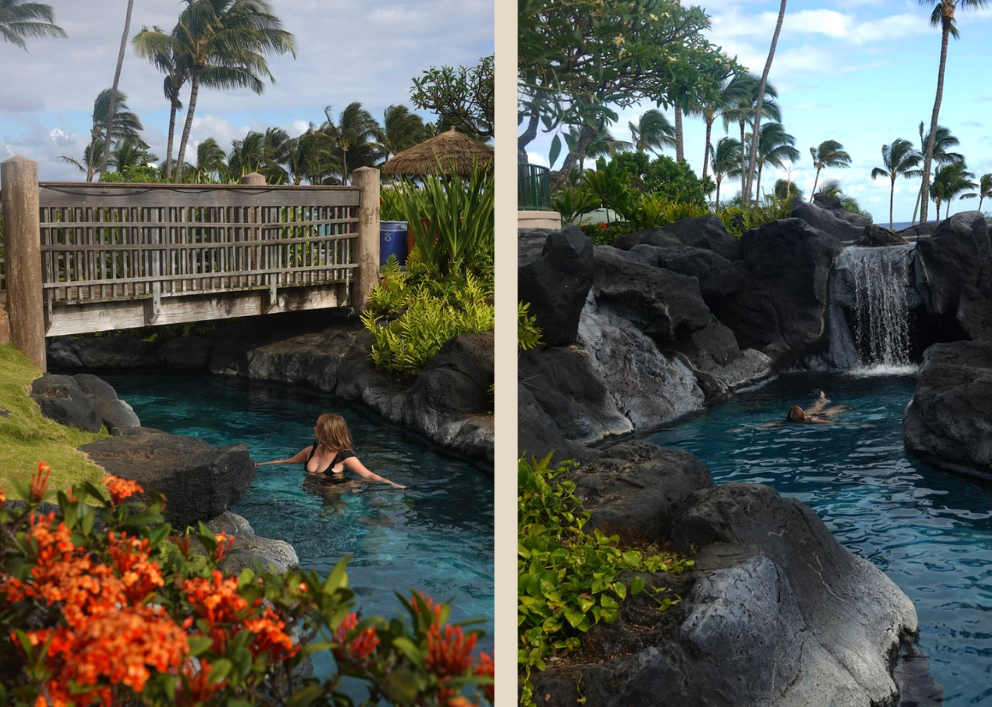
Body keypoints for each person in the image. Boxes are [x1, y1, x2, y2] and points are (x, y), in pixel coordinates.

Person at [256, 413, 406, 489]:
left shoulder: (344, 456)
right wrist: (261, 464)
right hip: (311, 492)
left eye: (317, 426)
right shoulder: (311, 450)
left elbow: (369, 475)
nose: (314, 428)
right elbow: (288, 461)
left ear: (326, 432)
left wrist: (393, 484)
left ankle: (354, 487)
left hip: (334, 494)